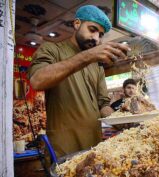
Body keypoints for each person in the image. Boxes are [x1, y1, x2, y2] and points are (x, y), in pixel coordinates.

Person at [28, 5, 131, 158]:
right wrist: (88, 56)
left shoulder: (96, 66)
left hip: (93, 148)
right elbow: (37, 81)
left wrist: (122, 121)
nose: (96, 38)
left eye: (100, 34)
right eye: (92, 29)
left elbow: (103, 105)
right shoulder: (52, 50)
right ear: (77, 24)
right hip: (63, 149)